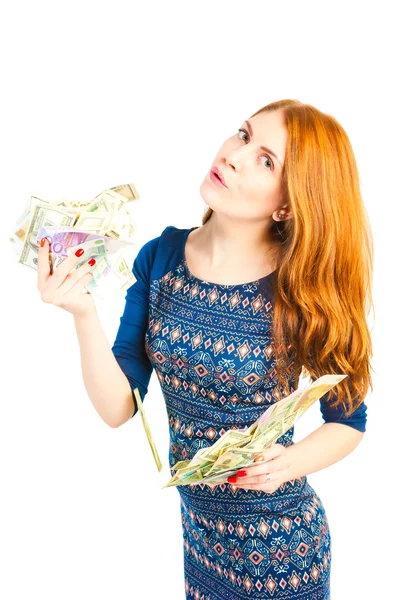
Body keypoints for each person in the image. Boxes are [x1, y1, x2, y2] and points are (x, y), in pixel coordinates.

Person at [37, 99, 374, 600]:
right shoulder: (162, 256)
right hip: (199, 543)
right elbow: (117, 407)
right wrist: (82, 311)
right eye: (243, 134)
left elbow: (348, 422)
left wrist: (289, 462)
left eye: (267, 160)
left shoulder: (300, 289)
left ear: (287, 202)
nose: (234, 155)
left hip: (282, 554)